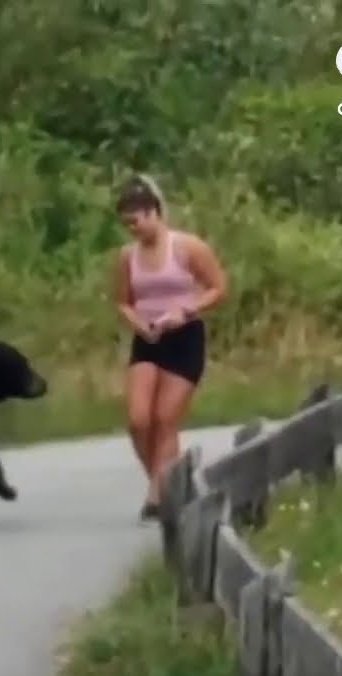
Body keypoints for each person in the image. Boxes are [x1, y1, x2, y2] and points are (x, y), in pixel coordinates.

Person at [111, 175, 227, 521]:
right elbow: (122, 301)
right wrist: (137, 323)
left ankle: (159, 494)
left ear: (154, 213)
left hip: (184, 337)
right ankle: (162, 483)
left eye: (136, 221)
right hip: (148, 339)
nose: (133, 229)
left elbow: (218, 287)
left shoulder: (188, 247)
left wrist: (187, 309)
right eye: (126, 224)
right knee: (138, 420)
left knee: (165, 419)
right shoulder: (126, 256)